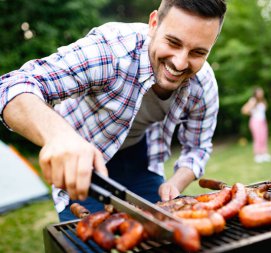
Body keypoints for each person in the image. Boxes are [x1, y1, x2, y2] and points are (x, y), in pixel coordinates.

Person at [0, 0, 227, 221]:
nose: (180, 63)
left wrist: (174, 183)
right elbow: (12, 86)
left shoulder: (203, 84)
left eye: (198, 52)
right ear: (154, 23)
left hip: (142, 160)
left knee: (161, 237)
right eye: (173, 42)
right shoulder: (110, 50)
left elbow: (197, 148)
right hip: (83, 162)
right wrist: (59, 137)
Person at [241, 86, 271, 163]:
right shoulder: (253, 100)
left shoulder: (263, 101)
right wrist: (251, 112)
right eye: (259, 92)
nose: (261, 93)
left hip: (263, 121)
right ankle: (258, 155)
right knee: (257, 138)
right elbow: (244, 110)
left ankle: (264, 154)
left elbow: (265, 109)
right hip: (255, 121)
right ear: (255, 93)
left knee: (264, 138)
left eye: (261, 92)